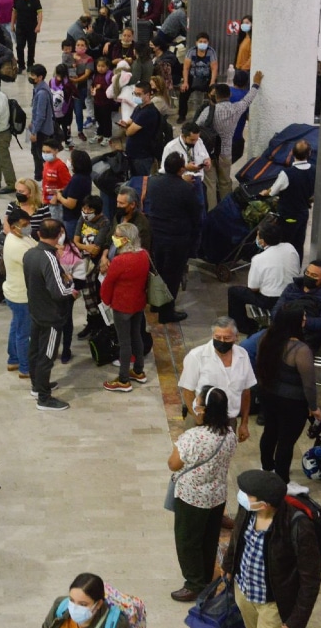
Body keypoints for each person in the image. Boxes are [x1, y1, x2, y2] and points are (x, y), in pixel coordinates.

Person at [221, 470, 321, 628]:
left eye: (248, 494)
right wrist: (228, 566)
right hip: (244, 592)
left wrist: (297, 616)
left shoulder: (297, 526)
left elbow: (310, 578)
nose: (243, 497)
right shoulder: (249, 510)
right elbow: (237, 538)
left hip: (273, 603)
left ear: (266, 503)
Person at [168, 386, 237, 601]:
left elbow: (173, 464)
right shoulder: (229, 434)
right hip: (217, 496)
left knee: (188, 541)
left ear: (206, 410)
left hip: (191, 498)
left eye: (197, 404)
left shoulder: (192, 437)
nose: (195, 408)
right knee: (209, 538)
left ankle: (194, 584)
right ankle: (207, 576)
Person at [255, 307, 321, 487]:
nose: (305, 320)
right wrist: (314, 407)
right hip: (292, 403)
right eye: (303, 317)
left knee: (270, 432)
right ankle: (282, 480)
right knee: (286, 440)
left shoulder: (266, 339)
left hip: (268, 395)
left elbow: (260, 367)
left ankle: (267, 467)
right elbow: (308, 383)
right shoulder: (300, 350)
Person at [23, 219, 78, 411]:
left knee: (35, 350)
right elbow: (58, 291)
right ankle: (44, 398)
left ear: (39, 233)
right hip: (51, 315)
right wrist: (71, 288)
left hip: (36, 310)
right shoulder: (49, 257)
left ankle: (37, 386)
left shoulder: (30, 254)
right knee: (47, 355)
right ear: (59, 235)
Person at [239, 260, 321, 357]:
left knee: (276, 356)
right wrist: (288, 318)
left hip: (304, 337)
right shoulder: (292, 287)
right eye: (308, 273)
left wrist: (303, 321)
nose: (309, 276)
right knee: (245, 348)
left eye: (314, 276)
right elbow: (275, 311)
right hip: (279, 330)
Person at [178, 317, 255, 442]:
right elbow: (188, 391)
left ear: (236, 337)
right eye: (218, 338)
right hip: (201, 420)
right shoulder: (196, 356)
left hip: (229, 421)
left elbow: (246, 391)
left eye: (227, 338)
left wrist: (244, 423)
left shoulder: (243, 355)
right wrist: (198, 419)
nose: (222, 341)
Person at [145, 153, 201, 323]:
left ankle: (155, 303)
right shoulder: (186, 189)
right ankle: (166, 312)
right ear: (181, 169)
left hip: (156, 235)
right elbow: (195, 215)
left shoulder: (153, 182)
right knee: (172, 275)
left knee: (157, 272)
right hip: (176, 239)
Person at [100, 222, 150, 392]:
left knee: (124, 342)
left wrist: (105, 301)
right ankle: (138, 371)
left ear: (126, 239)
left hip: (122, 306)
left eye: (117, 235)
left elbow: (108, 284)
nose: (114, 238)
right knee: (137, 336)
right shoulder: (144, 255)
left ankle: (123, 380)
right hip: (138, 303)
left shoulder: (120, 261)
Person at [201, 72, 263, 208]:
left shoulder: (208, 111)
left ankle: (212, 211)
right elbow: (248, 99)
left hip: (208, 153)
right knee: (225, 182)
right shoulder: (236, 109)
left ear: (215, 96)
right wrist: (256, 84)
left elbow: (197, 127)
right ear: (229, 96)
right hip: (226, 151)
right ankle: (225, 209)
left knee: (210, 183)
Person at [228, 222, 300, 336]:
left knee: (234, 292)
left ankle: (244, 326)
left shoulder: (259, 258)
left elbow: (253, 288)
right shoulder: (290, 248)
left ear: (262, 241)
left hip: (271, 299)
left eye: (258, 236)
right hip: (291, 294)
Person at [259, 136, 311, 256]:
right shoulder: (313, 171)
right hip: (303, 213)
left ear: (292, 153)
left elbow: (272, 191)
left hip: (288, 215)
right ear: (309, 153)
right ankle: (296, 268)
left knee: (286, 243)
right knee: (299, 243)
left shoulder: (287, 174)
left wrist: (264, 192)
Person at [2, 208, 36, 377]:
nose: (28, 227)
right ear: (14, 227)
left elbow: (36, 247)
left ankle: (13, 359)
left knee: (16, 326)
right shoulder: (16, 245)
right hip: (21, 295)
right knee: (23, 332)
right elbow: (35, 262)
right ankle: (25, 368)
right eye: (24, 225)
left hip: (15, 291)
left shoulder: (21, 237)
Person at [118, 81, 161, 176]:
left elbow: (129, 132)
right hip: (133, 154)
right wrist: (124, 123)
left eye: (139, 94)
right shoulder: (139, 107)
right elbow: (130, 120)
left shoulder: (148, 112)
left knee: (141, 183)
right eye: (134, 93)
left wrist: (126, 128)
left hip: (142, 156)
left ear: (148, 94)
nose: (136, 96)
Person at [28, 65, 57, 180]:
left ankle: (41, 177)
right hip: (41, 127)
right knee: (37, 154)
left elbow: (40, 115)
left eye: (33, 75)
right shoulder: (40, 88)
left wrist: (34, 132)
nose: (31, 77)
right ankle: (39, 175)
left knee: (40, 155)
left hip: (42, 130)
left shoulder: (42, 93)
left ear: (40, 77)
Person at [181, 32, 218, 120]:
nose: (202, 43)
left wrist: (212, 83)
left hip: (207, 78)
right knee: (183, 92)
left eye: (205, 42)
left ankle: (212, 115)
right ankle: (181, 116)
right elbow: (186, 68)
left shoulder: (211, 52)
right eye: (200, 41)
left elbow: (214, 68)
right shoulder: (191, 51)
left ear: (208, 43)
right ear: (196, 43)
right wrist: (185, 82)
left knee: (214, 93)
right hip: (192, 77)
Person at [13, 0, 42, 71]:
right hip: (20, 27)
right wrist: (12, 24)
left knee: (31, 46)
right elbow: (14, 12)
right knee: (19, 46)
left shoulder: (35, 0)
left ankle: (30, 64)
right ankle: (21, 64)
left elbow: (40, 14)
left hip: (31, 27)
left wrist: (38, 25)